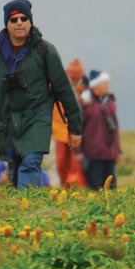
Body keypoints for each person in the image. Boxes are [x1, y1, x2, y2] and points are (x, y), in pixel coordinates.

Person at [0, 0, 82, 189]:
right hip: (6, 120)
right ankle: (22, 211)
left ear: (30, 21)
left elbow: (63, 90)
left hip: (37, 119)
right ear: (6, 24)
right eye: (14, 19)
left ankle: (28, 206)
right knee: (14, 169)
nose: (19, 22)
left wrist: (74, 128)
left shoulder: (45, 51)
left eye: (23, 18)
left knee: (30, 162)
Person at [79, 70, 120, 189]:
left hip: (110, 153)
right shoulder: (85, 102)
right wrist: (77, 151)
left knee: (111, 188)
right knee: (95, 188)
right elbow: (77, 126)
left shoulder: (110, 101)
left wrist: (118, 151)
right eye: (105, 83)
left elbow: (115, 127)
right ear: (96, 85)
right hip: (93, 153)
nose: (107, 86)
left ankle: (111, 208)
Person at [52, 58, 87, 188]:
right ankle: (64, 185)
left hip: (76, 132)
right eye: (74, 77)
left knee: (76, 163)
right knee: (61, 162)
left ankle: (76, 188)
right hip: (59, 132)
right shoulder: (59, 88)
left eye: (78, 77)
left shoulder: (83, 92)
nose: (75, 80)